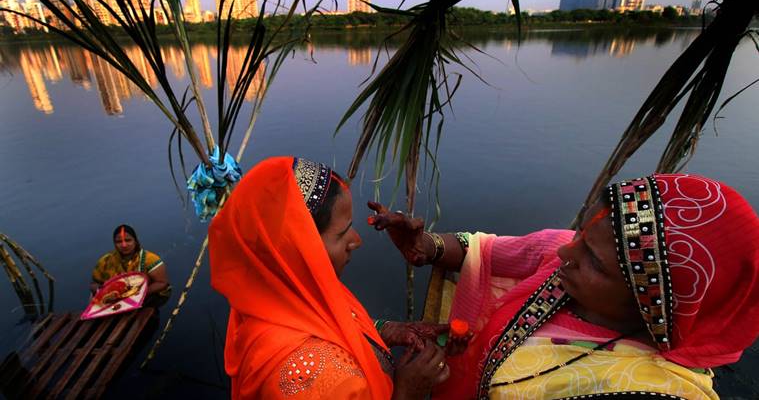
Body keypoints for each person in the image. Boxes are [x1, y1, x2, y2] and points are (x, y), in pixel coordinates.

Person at [369, 174, 759, 399]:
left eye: (593, 259)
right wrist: (424, 248)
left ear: (653, 306)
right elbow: (484, 249)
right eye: (583, 231)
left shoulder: (646, 387)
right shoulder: (567, 259)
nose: (566, 251)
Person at [209, 157, 470, 399]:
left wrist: (386, 332)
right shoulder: (323, 382)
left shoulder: (271, 288)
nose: (355, 241)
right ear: (298, 248)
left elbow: (332, 325)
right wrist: (405, 392)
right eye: (341, 234)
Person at [91, 224, 170, 299]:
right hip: (115, 297)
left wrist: (137, 294)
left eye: (128, 240)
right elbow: (94, 284)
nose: (124, 245)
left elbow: (162, 283)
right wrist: (101, 291)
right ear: (114, 243)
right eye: (119, 242)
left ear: (135, 241)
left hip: (146, 295)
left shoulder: (150, 259)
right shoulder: (105, 261)